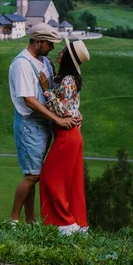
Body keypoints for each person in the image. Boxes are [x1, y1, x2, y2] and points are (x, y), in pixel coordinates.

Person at [9, 24, 77, 224]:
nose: (53, 48)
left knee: (34, 175)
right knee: (31, 176)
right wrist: (57, 119)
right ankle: (13, 220)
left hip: (43, 124)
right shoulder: (22, 64)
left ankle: (30, 220)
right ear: (38, 42)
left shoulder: (44, 61)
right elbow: (29, 100)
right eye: (49, 44)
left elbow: (53, 91)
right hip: (29, 125)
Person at [39, 38, 90, 235]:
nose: (58, 53)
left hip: (67, 135)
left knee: (51, 179)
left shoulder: (68, 80)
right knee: (72, 183)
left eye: (62, 51)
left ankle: (64, 224)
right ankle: (76, 224)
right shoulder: (70, 77)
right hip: (71, 135)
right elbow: (74, 107)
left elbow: (62, 110)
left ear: (68, 57)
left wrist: (45, 90)